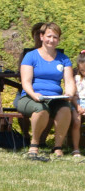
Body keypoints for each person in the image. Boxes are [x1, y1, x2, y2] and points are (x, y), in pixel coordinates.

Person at [17, 22, 74, 160]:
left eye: (55, 37)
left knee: (66, 110)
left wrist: (69, 94)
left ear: (58, 40)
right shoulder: (30, 56)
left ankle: (58, 147)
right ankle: (34, 145)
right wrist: (34, 94)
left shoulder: (64, 59)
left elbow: (69, 81)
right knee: (41, 109)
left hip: (55, 98)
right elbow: (25, 82)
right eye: (48, 36)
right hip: (30, 98)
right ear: (41, 37)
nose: (51, 40)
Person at [72, 51, 85, 159]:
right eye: (82, 70)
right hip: (76, 102)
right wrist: (77, 106)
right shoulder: (76, 79)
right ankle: (76, 148)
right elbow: (72, 96)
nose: (84, 73)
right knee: (77, 121)